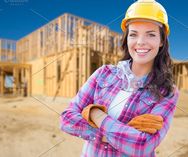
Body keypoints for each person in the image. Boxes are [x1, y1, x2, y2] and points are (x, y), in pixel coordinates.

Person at [60, 0, 179, 156]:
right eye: (134, 34)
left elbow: (142, 146)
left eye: (150, 34)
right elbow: (66, 119)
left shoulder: (167, 92)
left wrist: (96, 114)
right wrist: (115, 135)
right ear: (127, 39)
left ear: (161, 40)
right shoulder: (103, 74)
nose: (141, 42)